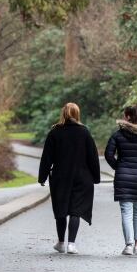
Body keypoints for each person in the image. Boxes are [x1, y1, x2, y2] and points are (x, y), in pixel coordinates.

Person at [38, 102, 101, 255]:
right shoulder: (84, 132)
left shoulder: (54, 132)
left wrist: (43, 176)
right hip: (82, 177)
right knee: (75, 210)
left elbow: (47, 157)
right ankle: (71, 244)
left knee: (61, 209)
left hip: (60, 177)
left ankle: (60, 242)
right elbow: (93, 157)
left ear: (64, 114)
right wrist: (96, 177)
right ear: (77, 114)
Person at [105, 104, 137, 256]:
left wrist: (118, 167)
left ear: (127, 116)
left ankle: (128, 245)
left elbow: (109, 154)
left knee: (126, 212)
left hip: (122, 176)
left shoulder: (118, 135)